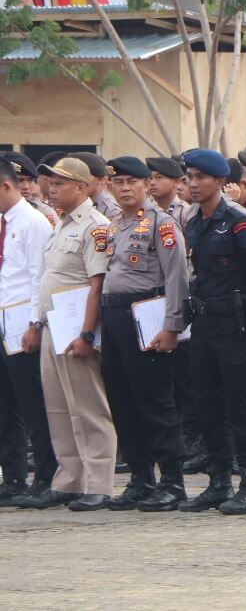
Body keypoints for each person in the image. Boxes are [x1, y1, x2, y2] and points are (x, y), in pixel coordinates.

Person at [20, 157, 116, 511]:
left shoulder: (96, 226)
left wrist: (87, 333)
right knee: (59, 408)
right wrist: (36, 323)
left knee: (88, 406)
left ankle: (98, 482)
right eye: (51, 183)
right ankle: (70, 479)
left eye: (60, 183)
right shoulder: (60, 223)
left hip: (76, 326)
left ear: (82, 187)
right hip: (52, 324)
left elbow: (96, 285)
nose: (52, 189)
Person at [179, 149, 246, 514]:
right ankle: (219, 481)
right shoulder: (193, 220)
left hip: (235, 324)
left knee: (240, 404)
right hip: (203, 323)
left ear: (220, 181)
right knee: (207, 404)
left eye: (201, 177)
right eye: (189, 177)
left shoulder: (238, 222)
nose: (193, 183)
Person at [98, 157, 189, 512]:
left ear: (146, 185)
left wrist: (172, 326)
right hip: (114, 317)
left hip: (146, 315)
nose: (124, 188)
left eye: (131, 182)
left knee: (155, 401)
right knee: (122, 400)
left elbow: (177, 277)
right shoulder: (115, 224)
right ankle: (140, 478)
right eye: (117, 182)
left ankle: (172, 482)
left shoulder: (161, 223)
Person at [0, 159, 57, 506]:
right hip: (3, 324)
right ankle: (13, 477)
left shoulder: (33, 222)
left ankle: (47, 476)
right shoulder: (4, 222)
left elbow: (40, 277)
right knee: (5, 408)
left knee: (34, 405)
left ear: (6, 186)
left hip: (24, 327)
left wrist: (36, 324)